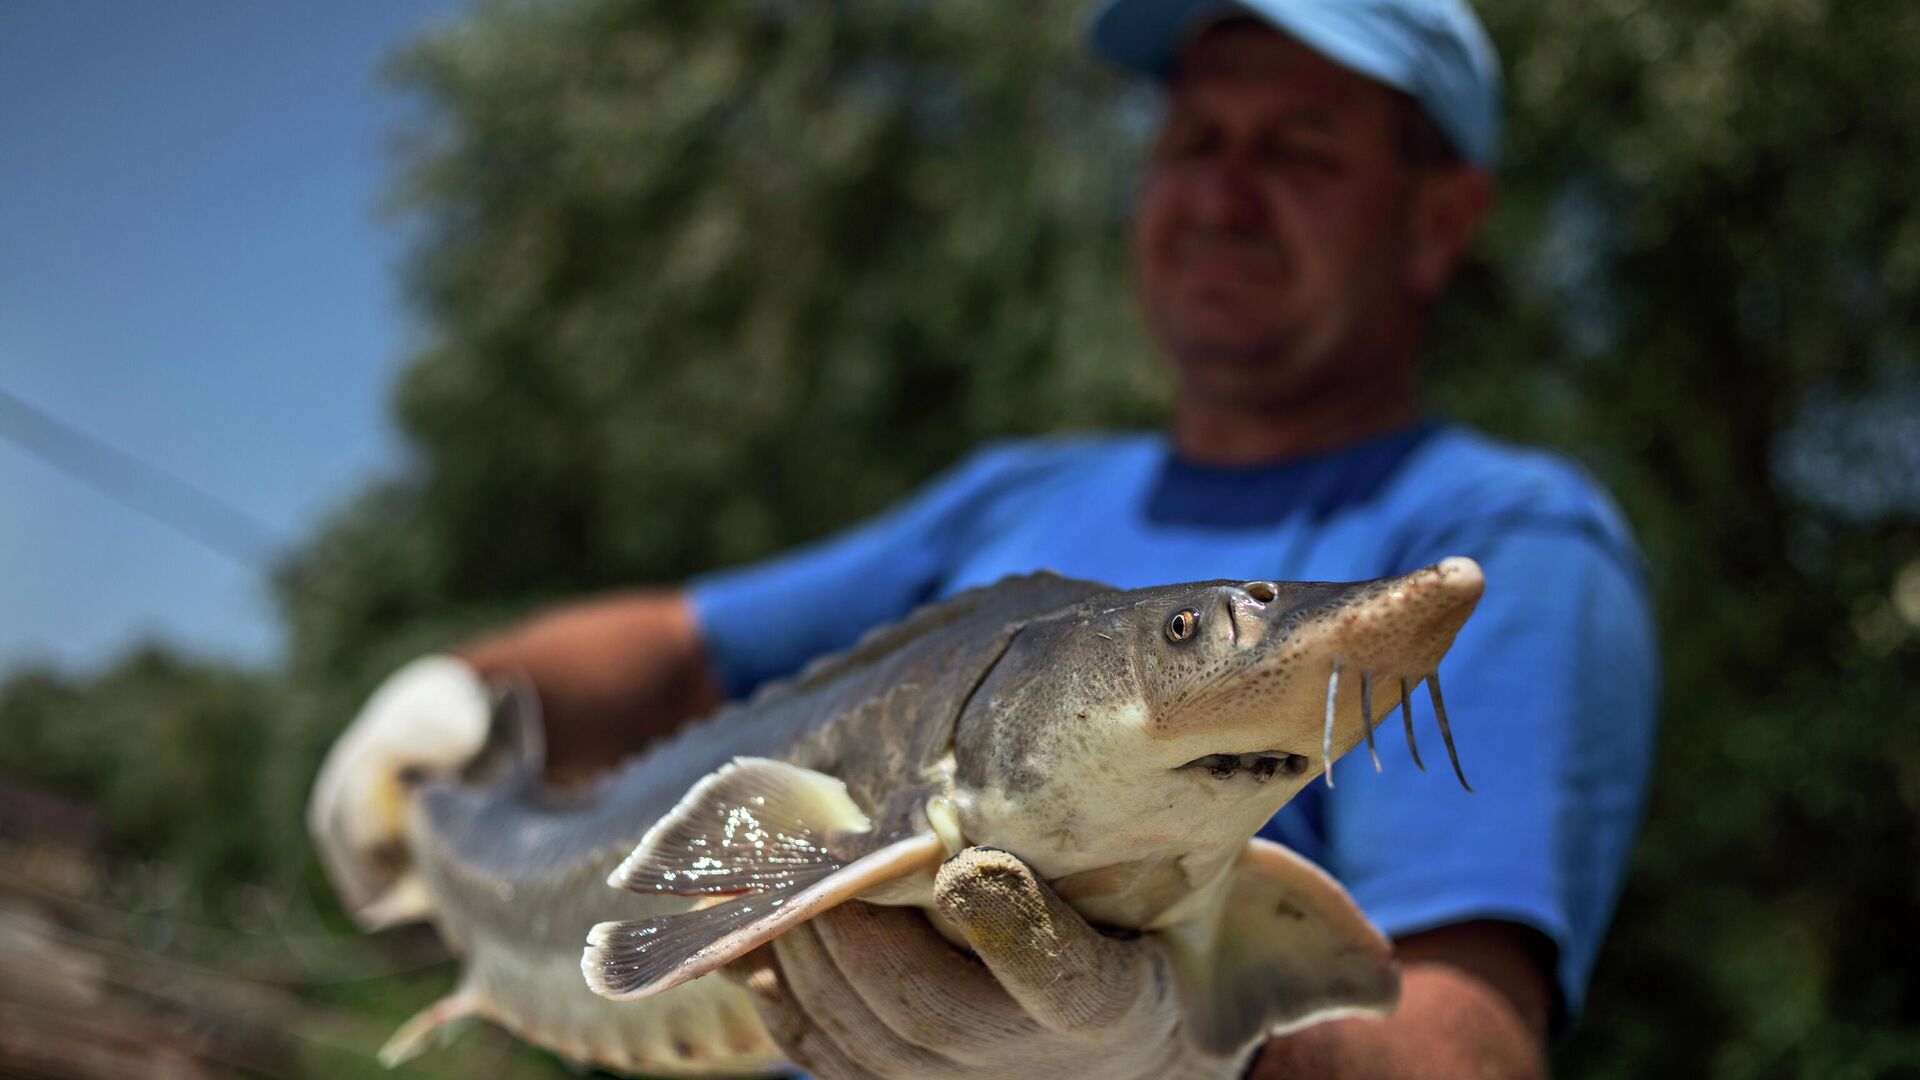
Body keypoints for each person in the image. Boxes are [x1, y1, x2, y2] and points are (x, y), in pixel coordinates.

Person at [310, 1, 1658, 1076]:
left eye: (1301, 152)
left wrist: (1186, 1054)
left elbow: (1469, 1050)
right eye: (1196, 140)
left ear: (1436, 221)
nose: (1222, 194)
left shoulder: (1502, 535)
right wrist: (447, 703)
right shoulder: (1013, 495)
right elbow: (678, 646)